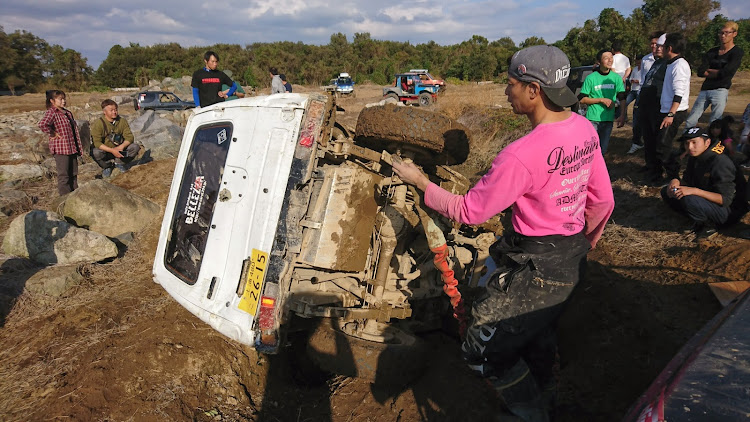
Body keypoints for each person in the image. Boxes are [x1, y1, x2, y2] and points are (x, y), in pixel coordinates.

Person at [392, 45, 615, 422]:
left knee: (480, 351)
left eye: (511, 84)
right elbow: (603, 201)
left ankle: (530, 414)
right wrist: (578, 249)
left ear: (533, 90)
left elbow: (470, 211)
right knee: (538, 332)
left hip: (533, 268)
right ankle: (543, 393)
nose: (506, 91)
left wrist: (419, 181)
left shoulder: (519, 155)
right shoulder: (583, 129)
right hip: (569, 259)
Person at [661, 126, 736, 239]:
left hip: (728, 211)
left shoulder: (719, 161)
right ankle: (697, 216)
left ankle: (709, 225)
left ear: (707, 143)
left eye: (694, 142)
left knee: (688, 198)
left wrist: (695, 191)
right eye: (687, 143)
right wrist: (676, 181)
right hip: (706, 200)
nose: (690, 147)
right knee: (667, 192)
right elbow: (687, 181)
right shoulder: (695, 156)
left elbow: (725, 199)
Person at [684, 21, 744, 129]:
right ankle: (686, 141)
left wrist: (711, 72)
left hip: (721, 89)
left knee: (715, 122)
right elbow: (701, 71)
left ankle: (713, 144)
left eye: (727, 32)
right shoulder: (712, 51)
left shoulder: (737, 52)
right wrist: (718, 72)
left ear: (734, 34)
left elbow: (727, 72)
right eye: (721, 33)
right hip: (706, 89)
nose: (723, 35)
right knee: (691, 119)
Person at [650, 32, 691, 183]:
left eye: (664, 46)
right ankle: (664, 174)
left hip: (674, 112)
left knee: (663, 146)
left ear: (670, 48)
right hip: (666, 110)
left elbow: (679, 93)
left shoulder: (679, 65)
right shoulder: (672, 63)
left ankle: (674, 177)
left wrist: (671, 114)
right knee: (661, 144)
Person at [578, 49, 626, 154]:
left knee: (602, 150)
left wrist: (622, 115)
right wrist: (600, 100)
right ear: (599, 62)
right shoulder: (591, 78)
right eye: (606, 58)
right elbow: (582, 99)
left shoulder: (616, 78)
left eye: (611, 57)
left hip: (608, 120)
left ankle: (598, 170)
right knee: (590, 150)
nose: (610, 60)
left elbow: (622, 98)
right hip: (592, 119)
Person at [37, 90, 84, 196]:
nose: (64, 101)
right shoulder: (52, 112)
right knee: (64, 175)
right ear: (52, 101)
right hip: (61, 149)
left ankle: (75, 195)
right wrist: (53, 133)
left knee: (73, 173)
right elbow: (42, 124)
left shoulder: (67, 113)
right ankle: (64, 198)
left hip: (71, 147)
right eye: (60, 99)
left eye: (64, 98)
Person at [628, 32, 664, 154]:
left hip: (658, 97)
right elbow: (644, 78)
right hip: (643, 94)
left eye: (657, 44)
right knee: (638, 119)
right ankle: (637, 142)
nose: (654, 46)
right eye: (652, 44)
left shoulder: (667, 60)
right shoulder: (645, 59)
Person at [90, 99, 140, 178]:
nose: (114, 112)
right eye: (111, 110)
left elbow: (130, 137)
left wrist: (121, 147)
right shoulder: (98, 123)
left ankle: (119, 163)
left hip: (120, 150)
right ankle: (107, 166)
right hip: (106, 151)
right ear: (104, 112)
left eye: (116, 110)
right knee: (95, 152)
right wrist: (112, 150)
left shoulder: (122, 121)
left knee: (135, 147)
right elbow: (97, 143)